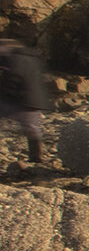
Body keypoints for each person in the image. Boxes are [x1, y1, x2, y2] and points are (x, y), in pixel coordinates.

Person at [0, 37, 51, 166]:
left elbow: (14, 77)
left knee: (30, 128)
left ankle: (36, 156)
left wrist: (4, 91)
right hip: (34, 99)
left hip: (21, 99)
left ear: (5, 47)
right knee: (31, 128)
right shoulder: (31, 58)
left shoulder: (16, 58)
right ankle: (36, 157)